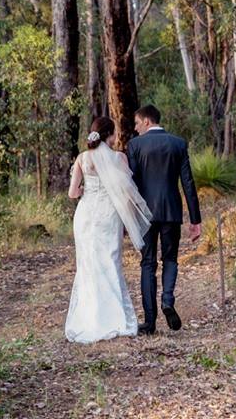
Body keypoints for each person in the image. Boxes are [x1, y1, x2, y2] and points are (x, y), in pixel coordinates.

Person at [64, 117, 151, 343]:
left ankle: (89, 319)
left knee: (88, 265)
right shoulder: (119, 158)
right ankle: (115, 318)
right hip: (109, 215)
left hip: (85, 216)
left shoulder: (82, 158)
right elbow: (125, 193)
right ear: (110, 134)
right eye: (114, 133)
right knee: (110, 262)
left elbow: (72, 193)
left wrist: (85, 189)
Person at [127, 104, 201, 335]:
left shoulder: (135, 145)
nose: (136, 128)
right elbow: (188, 183)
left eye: (137, 123)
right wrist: (195, 219)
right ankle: (167, 300)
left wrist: (128, 216)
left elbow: (131, 185)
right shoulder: (178, 143)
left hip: (145, 215)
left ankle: (149, 323)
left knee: (148, 263)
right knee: (170, 259)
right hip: (171, 211)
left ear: (147, 121)